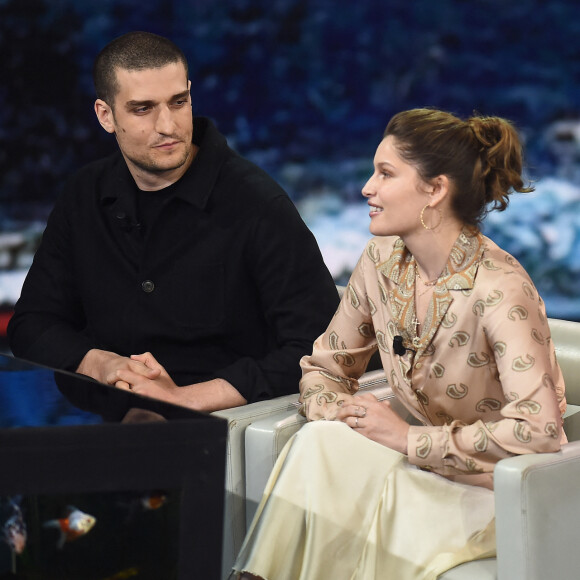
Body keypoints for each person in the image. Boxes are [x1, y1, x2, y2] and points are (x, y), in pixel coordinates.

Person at [231, 108, 567, 579]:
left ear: (435, 189)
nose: (367, 188)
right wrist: (338, 411)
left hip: (494, 490)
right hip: (423, 467)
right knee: (322, 438)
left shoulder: (499, 287)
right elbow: (325, 367)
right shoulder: (382, 258)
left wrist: (408, 438)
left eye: (385, 174)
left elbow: (540, 432)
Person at [7, 31, 339, 412]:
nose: (167, 125)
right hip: (105, 422)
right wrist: (100, 362)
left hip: (225, 432)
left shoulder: (258, 204)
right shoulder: (84, 195)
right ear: (106, 115)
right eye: (143, 109)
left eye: (178, 102)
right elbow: (32, 323)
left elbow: (322, 348)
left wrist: (182, 399)